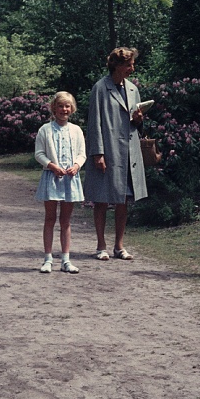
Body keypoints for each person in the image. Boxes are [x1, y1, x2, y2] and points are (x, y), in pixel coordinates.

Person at [83, 47, 148, 261]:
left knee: (124, 200)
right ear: (117, 65)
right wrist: (97, 153)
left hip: (128, 152)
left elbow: (133, 123)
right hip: (108, 150)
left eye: (132, 64)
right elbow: (94, 123)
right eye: (129, 64)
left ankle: (119, 246)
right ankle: (101, 246)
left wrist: (138, 119)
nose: (132, 68)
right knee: (101, 199)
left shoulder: (132, 89)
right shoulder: (100, 88)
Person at [34, 91, 86, 274]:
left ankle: (66, 259)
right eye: (61, 106)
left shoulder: (76, 130)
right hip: (52, 177)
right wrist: (52, 166)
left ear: (72, 109)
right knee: (50, 218)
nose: (64, 109)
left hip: (70, 179)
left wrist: (77, 166)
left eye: (67, 106)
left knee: (66, 220)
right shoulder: (45, 130)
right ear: (54, 108)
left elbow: (82, 153)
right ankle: (48, 258)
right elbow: (39, 153)